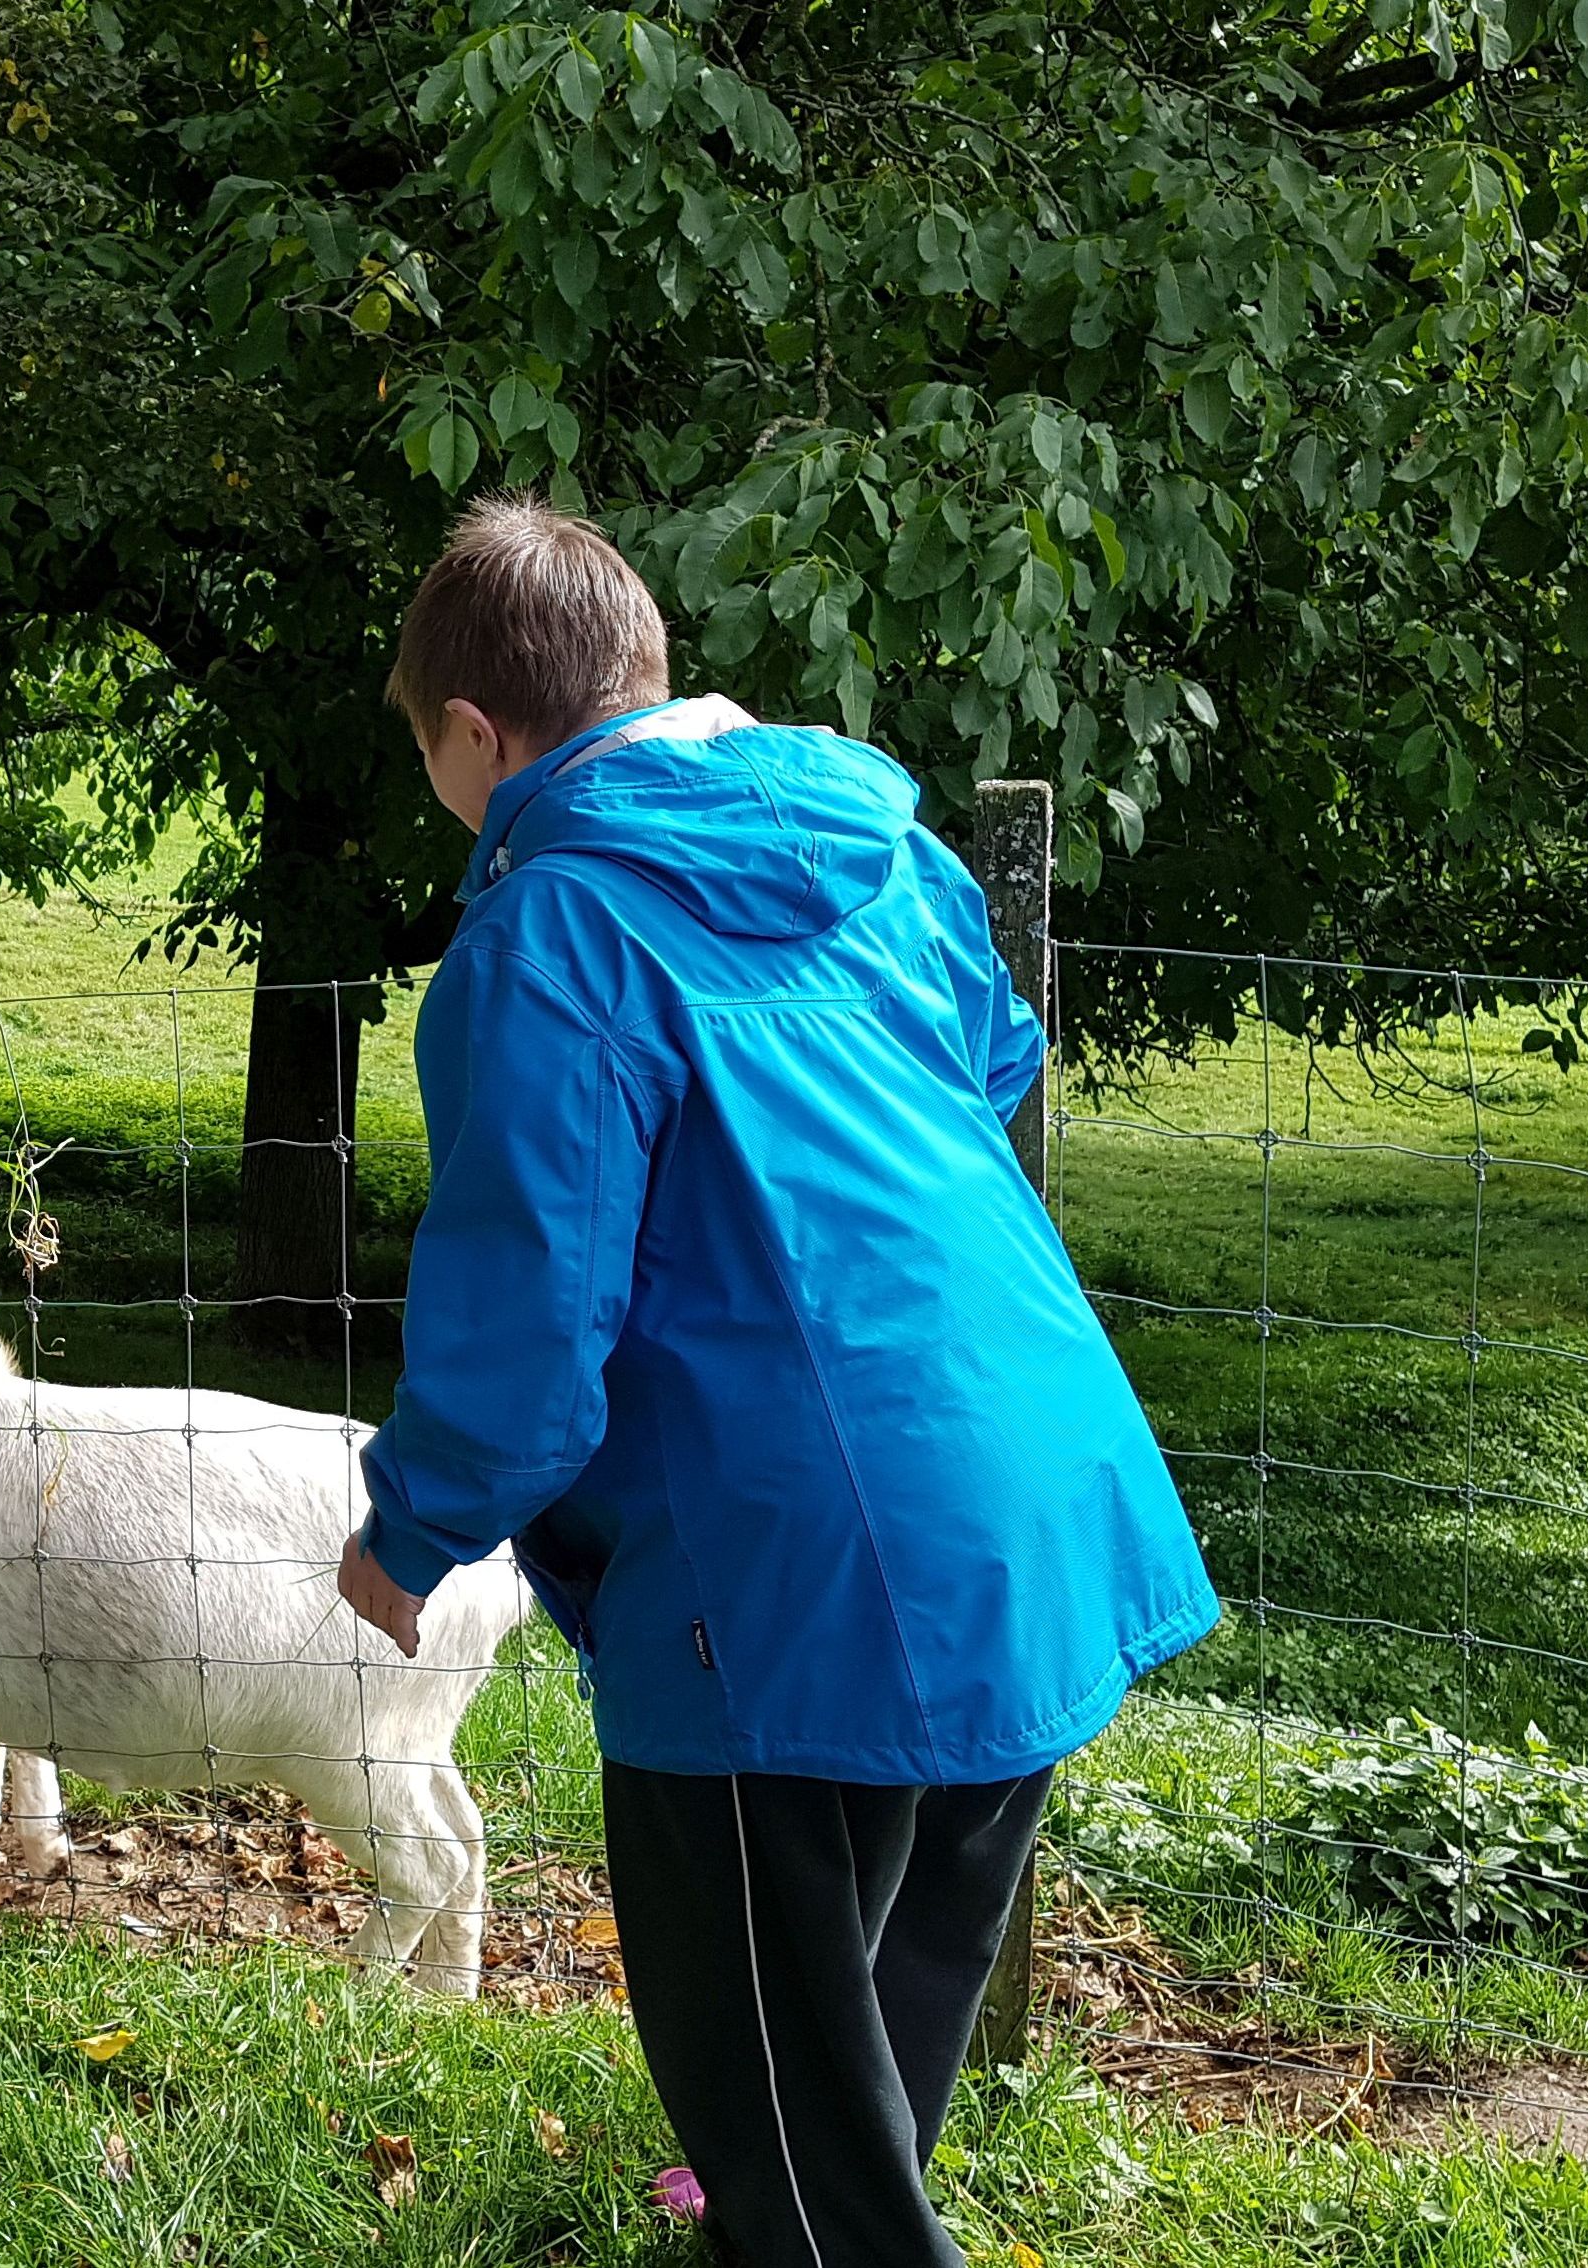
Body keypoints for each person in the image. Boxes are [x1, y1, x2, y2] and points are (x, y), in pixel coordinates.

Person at [334, 496, 1218, 2267]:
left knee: (777, 2091)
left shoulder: (552, 932)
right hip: (1035, 1503)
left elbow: (527, 1331)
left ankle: (804, 2229)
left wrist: (410, 1535)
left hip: (789, 1582)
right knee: (872, 2036)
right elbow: (993, 1059)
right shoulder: (877, 833)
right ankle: (798, 2216)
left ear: (469, 736)